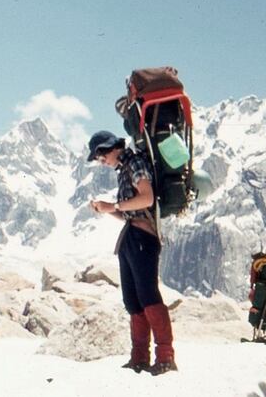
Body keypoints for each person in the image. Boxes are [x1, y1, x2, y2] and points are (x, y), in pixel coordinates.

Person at [87, 130, 177, 375]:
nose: (101, 162)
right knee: (132, 300)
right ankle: (139, 358)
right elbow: (131, 211)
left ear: (110, 148)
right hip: (131, 236)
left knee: (148, 295)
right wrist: (108, 210)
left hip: (143, 238)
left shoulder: (135, 163)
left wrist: (114, 205)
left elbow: (146, 199)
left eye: (101, 156)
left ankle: (165, 357)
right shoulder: (124, 169)